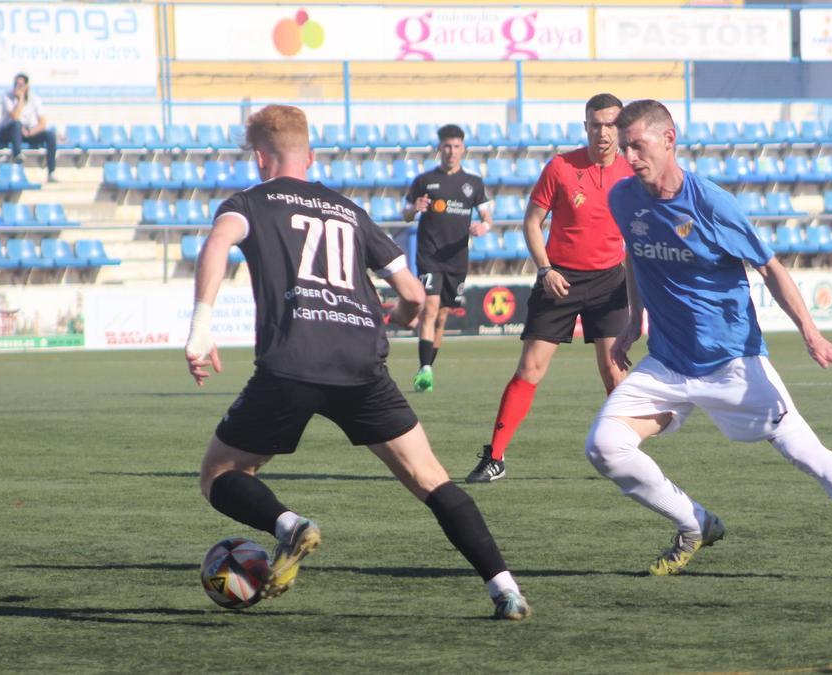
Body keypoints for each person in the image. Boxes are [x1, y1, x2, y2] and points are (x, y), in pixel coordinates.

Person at [184, 104, 530, 620]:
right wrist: (404, 312)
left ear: (260, 158)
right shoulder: (348, 210)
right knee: (429, 478)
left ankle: (289, 526)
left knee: (221, 473)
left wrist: (199, 329)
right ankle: (505, 589)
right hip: (361, 360)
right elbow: (411, 290)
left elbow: (217, 243)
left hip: (293, 360)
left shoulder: (249, 203)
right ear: (312, 154)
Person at [587, 99, 832, 583]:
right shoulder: (624, 198)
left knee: (808, 454)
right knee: (604, 446)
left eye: (637, 146)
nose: (630, 157)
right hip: (667, 362)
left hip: (732, 363)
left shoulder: (710, 204)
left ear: (669, 140)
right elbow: (636, 258)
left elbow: (769, 266)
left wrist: (811, 333)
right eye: (625, 149)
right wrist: (633, 320)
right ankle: (694, 523)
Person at [466, 93, 635, 483]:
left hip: (610, 281)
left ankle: (626, 454)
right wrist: (545, 269)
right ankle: (495, 457)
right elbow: (531, 222)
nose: (604, 132)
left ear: (621, 128)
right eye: (596, 124)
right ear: (586, 127)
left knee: (614, 374)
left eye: (611, 124)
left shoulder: (633, 171)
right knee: (530, 368)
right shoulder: (560, 167)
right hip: (559, 279)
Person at [403, 124, 492, 393]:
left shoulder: (473, 183)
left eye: (456, 147)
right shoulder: (424, 180)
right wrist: (414, 209)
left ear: (463, 149)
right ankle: (424, 369)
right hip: (429, 255)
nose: (451, 152)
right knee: (430, 308)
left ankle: (428, 367)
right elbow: (406, 212)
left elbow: (487, 217)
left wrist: (482, 227)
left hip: (456, 258)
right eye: (447, 146)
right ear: (439, 148)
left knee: (442, 316)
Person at [0, 73, 58, 182]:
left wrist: (31, 132)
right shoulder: (7, 96)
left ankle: (51, 172)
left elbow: (43, 123)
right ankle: (17, 156)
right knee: (16, 124)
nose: (18, 87)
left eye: (21, 85)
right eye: (16, 84)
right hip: (7, 132)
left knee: (50, 135)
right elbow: (15, 117)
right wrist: (20, 99)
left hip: (25, 132)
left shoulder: (35, 99)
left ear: (27, 86)